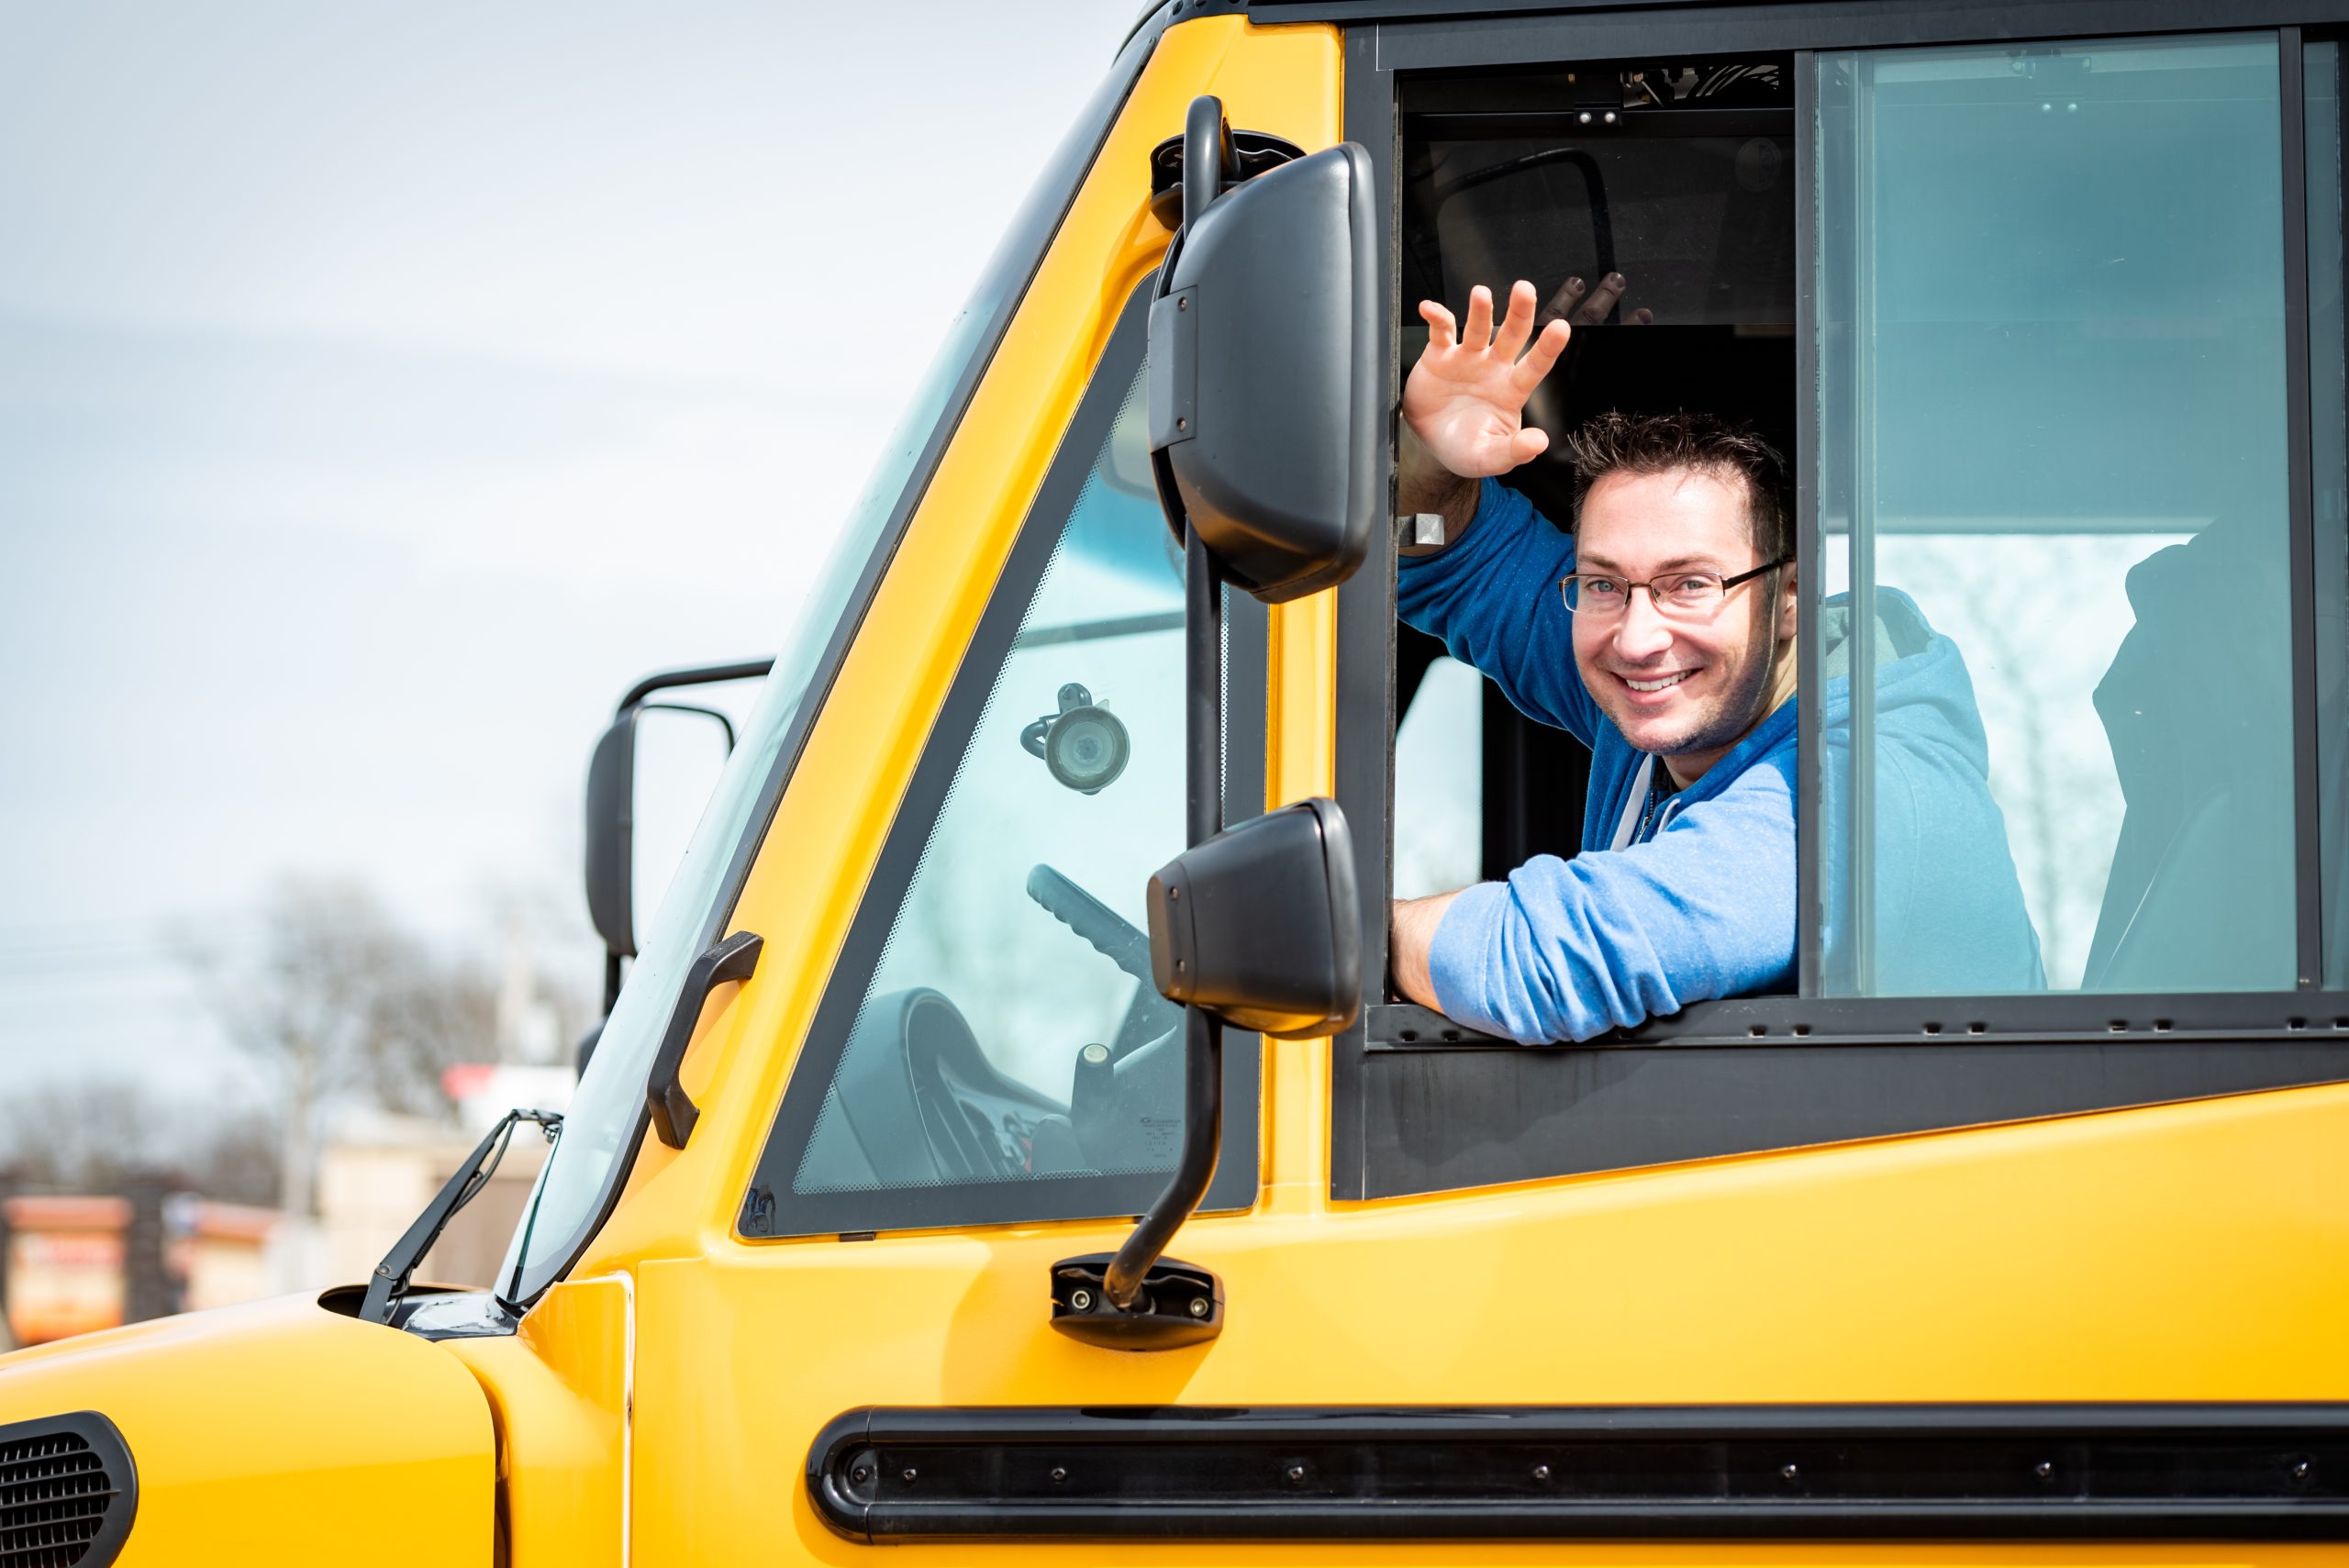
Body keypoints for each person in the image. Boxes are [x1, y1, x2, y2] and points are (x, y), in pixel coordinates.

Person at [1388, 279, 2042, 1043]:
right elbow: (1443, 553)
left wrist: (1338, 932)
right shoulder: (1673, 695)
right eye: (1604, 582)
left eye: (1690, 584)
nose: (1637, 639)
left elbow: (1550, 963)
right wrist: (1427, 455)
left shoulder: (1867, 794)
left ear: (1790, 597)